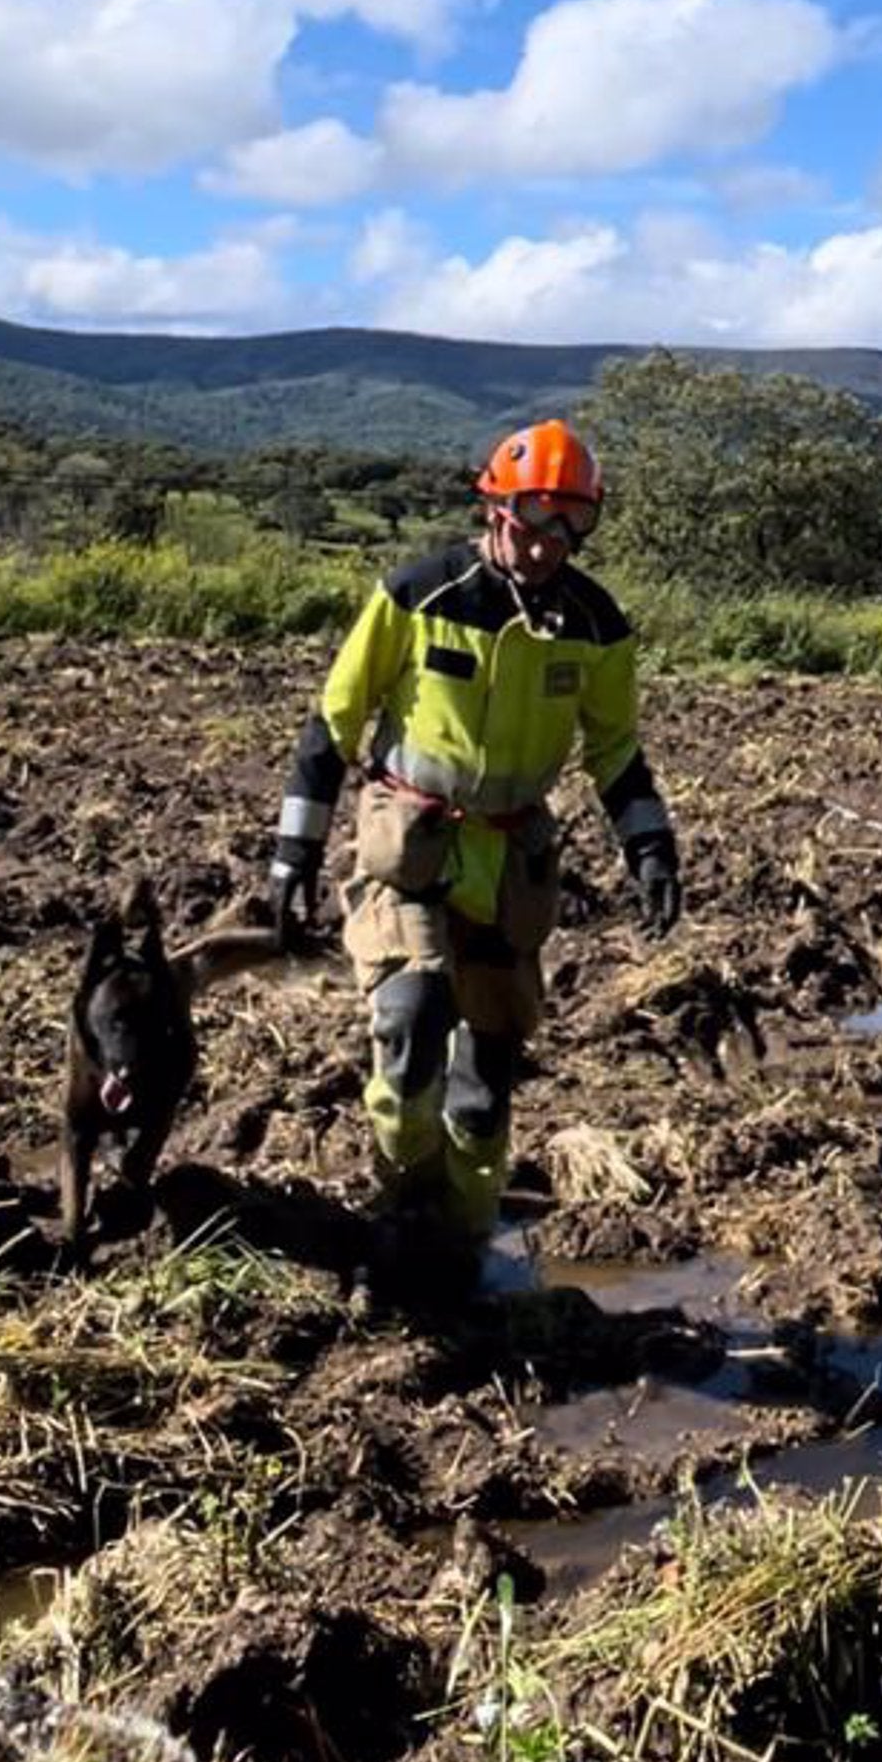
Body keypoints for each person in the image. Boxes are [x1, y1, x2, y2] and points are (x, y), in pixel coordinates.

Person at [266, 418, 681, 1243]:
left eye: (572, 524)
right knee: (413, 1018)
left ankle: (465, 1239)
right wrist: (293, 853)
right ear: (496, 508)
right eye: (532, 521)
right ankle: (405, 1203)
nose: (547, 544)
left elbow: (616, 752)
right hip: (409, 847)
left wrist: (651, 847)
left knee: (487, 1085)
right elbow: (333, 724)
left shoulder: (596, 625)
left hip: (511, 866)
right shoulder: (419, 595)